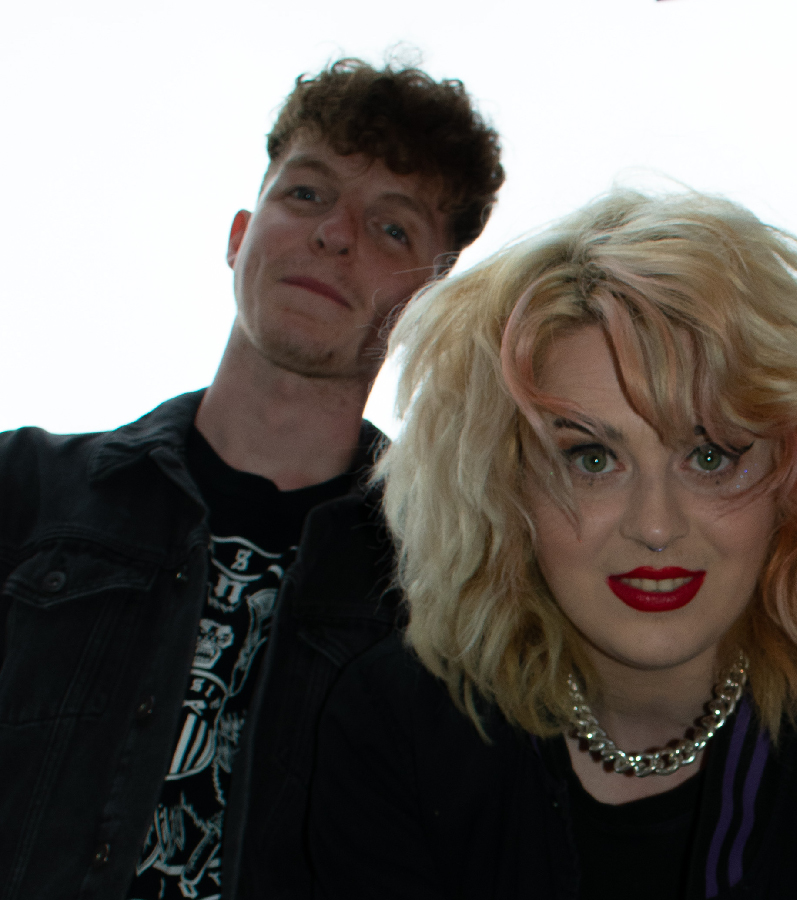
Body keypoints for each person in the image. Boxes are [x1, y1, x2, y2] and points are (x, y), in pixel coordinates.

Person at [307, 189, 797, 899]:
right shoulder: (395, 737)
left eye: (711, 456)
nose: (655, 525)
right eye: (591, 459)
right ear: (500, 486)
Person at [0, 59, 503, 900]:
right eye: (306, 193)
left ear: (426, 302)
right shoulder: (24, 491)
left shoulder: (449, 587)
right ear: (240, 235)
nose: (335, 233)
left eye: (391, 228)